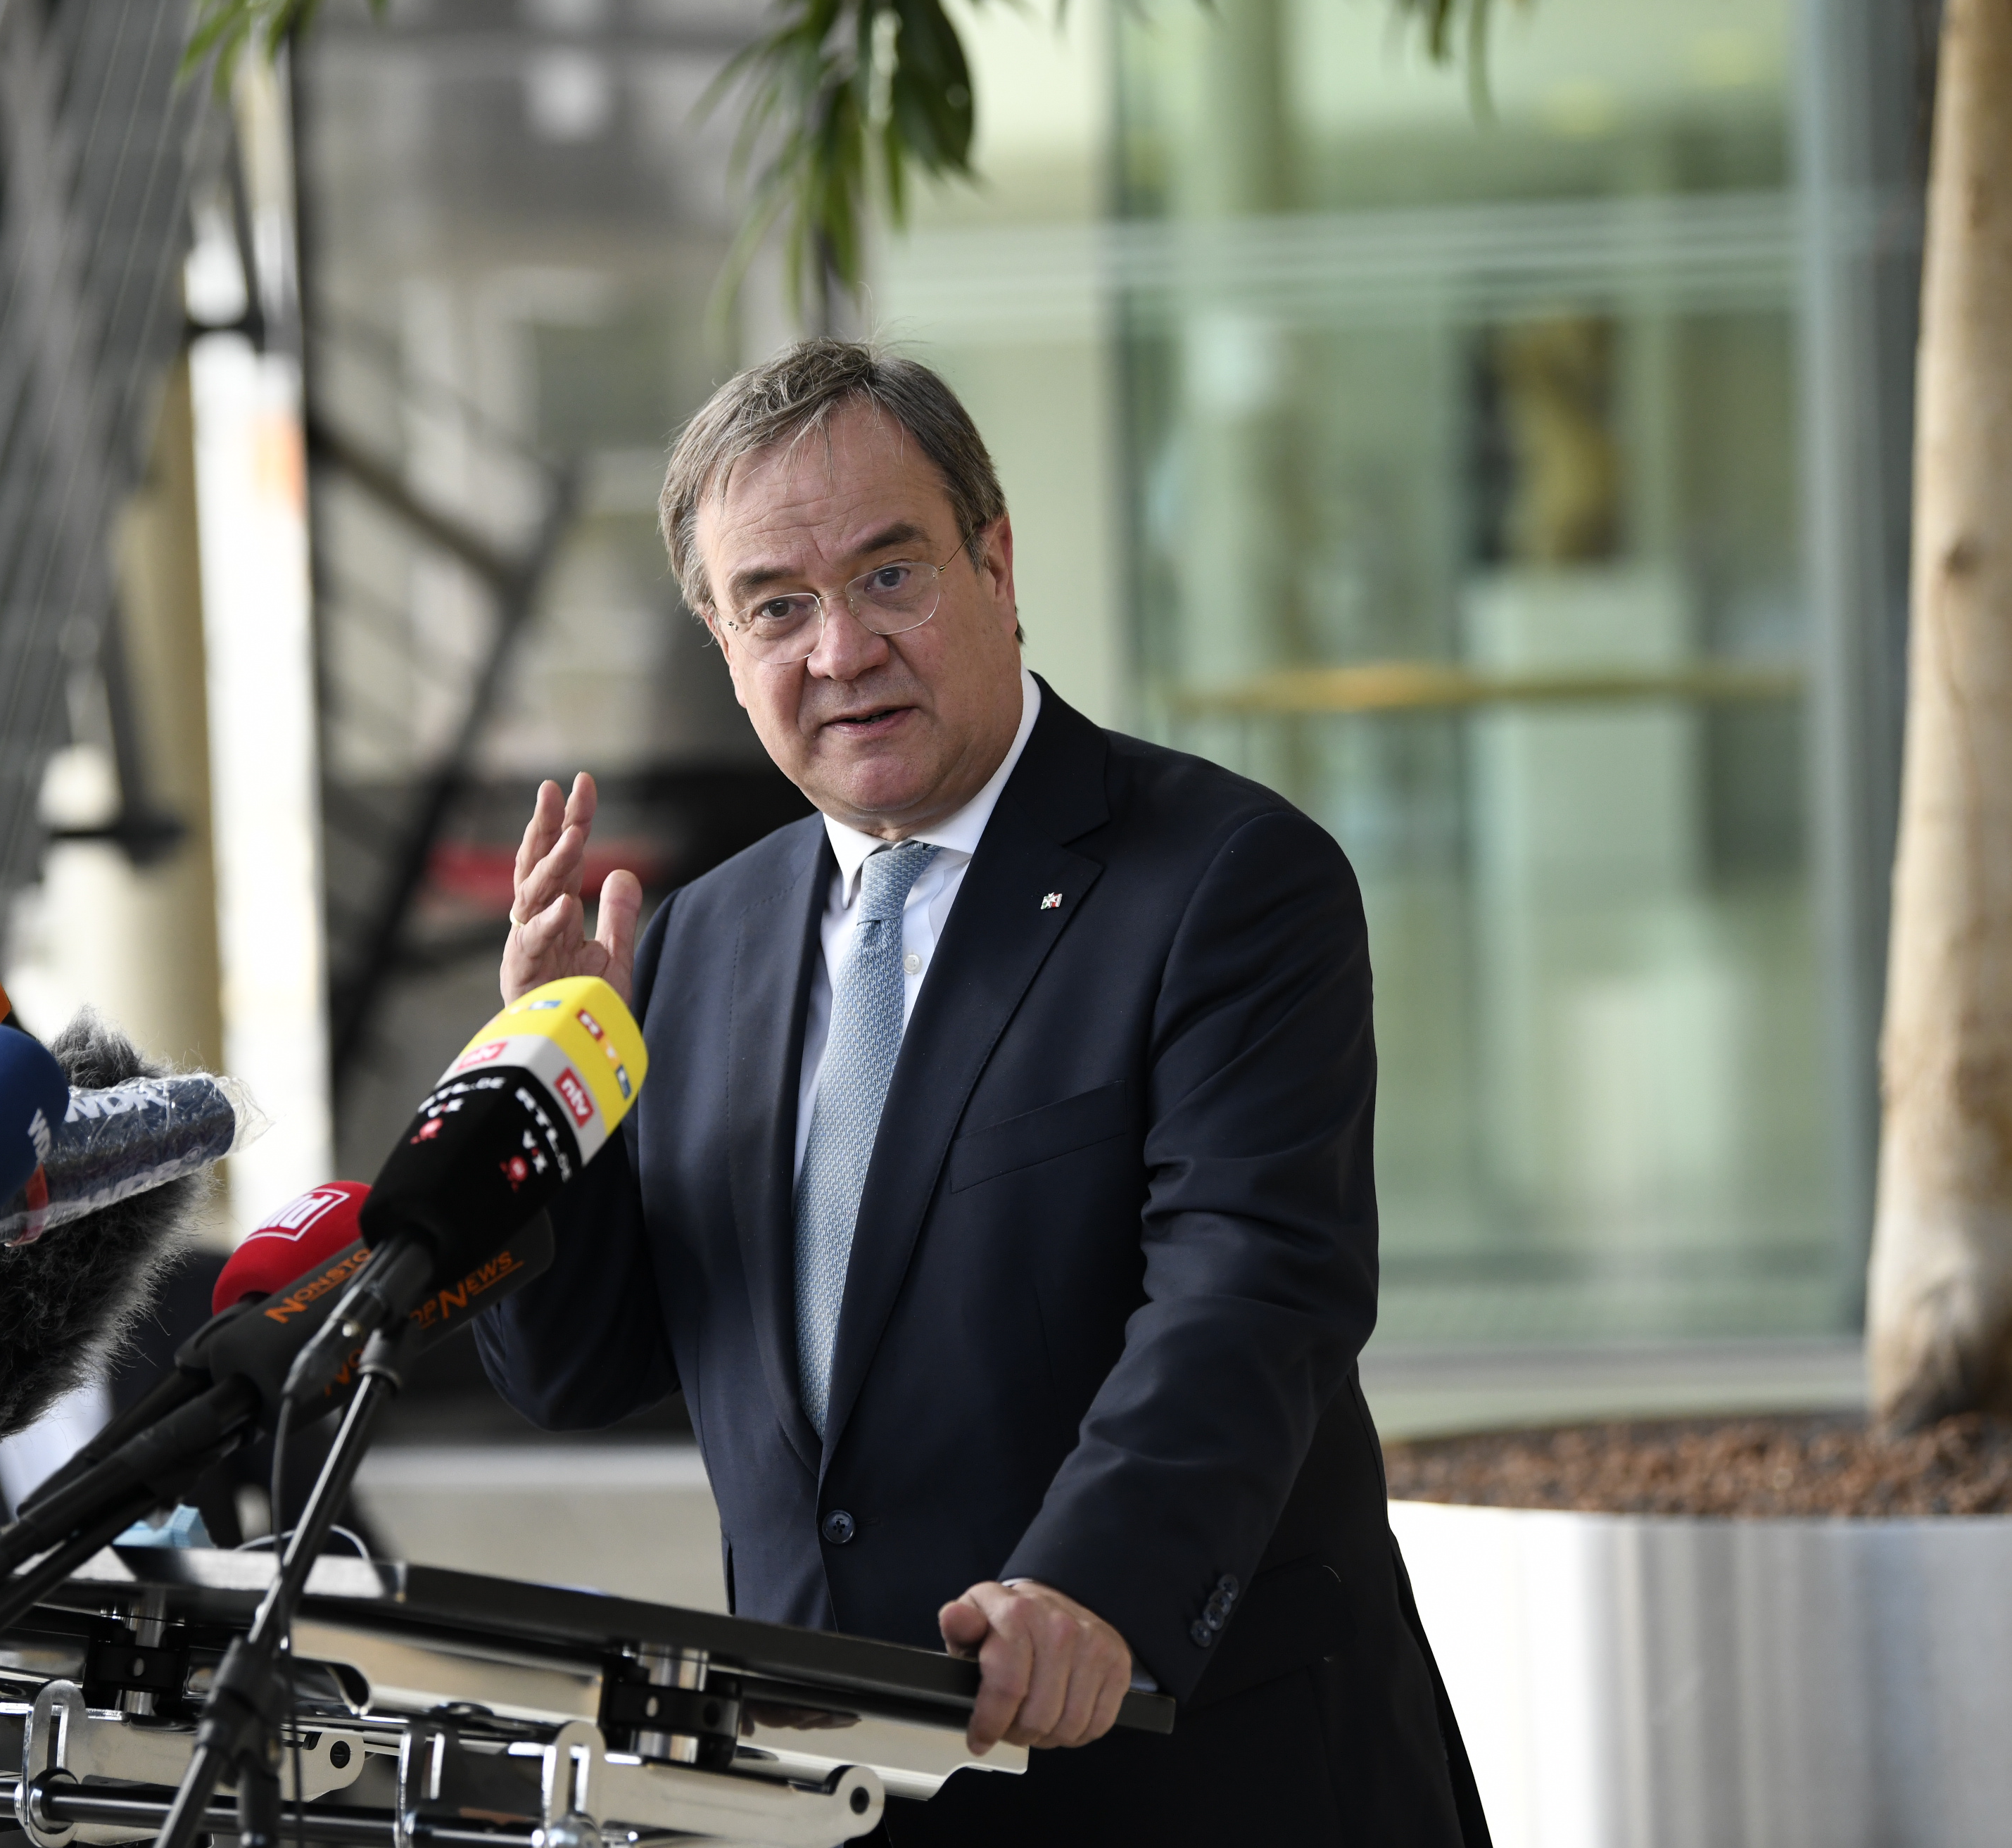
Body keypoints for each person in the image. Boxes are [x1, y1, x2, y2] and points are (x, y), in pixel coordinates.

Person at [474, 338, 1486, 1846]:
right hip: (839, 1797)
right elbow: (571, 1369)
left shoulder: (1226, 879)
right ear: (723, 642)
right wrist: (542, 1076)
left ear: (997, 563)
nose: (842, 650)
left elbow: (1250, 1293)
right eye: (776, 606)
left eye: (890, 575)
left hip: (1192, 1774)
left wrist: (1092, 1586)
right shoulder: (696, 943)